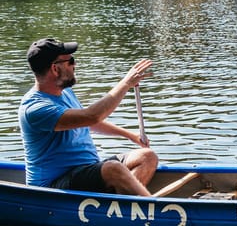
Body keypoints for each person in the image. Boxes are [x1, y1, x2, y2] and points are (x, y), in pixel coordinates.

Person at [18, 38, 157, 195]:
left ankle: (122, 203)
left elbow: (87, 122)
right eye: (71, 61)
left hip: (85, 171)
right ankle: (149, 205)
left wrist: (130, 135)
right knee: (113, 169)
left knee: (147, 156)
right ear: (55, 69)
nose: (75, 65)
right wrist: (125, 83)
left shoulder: (65, 92)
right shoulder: (35, 109)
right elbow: (91, 117)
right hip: (53, 186)